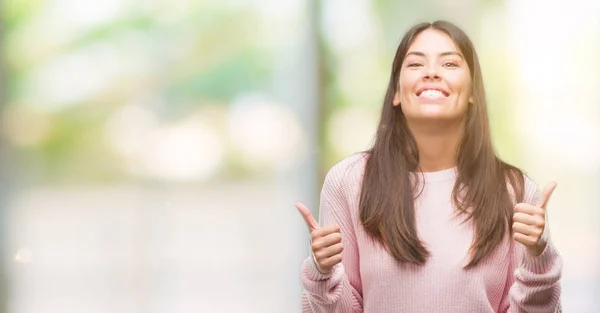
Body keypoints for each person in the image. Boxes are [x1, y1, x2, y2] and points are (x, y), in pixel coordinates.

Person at [295, 20, 562, 313]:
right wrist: (323, 272)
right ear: (396, 93)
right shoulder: (349, 182)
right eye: (415, 64)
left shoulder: (515, 191)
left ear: (473, 92)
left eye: (449, 64)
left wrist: (539, 256)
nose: (431, 72)